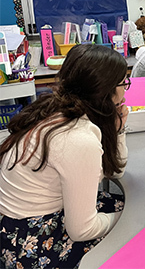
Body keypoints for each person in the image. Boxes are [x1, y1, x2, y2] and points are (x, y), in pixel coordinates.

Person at [0, 44, 130, 268]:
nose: (126, 91)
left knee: (119, 204)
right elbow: (82, 230)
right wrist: (130, 220)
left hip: (14, 225)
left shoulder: (58, 109)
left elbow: (114, 170)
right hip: (29, 241)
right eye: (123, 84)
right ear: (105, 90)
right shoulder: (77, 138)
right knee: (131, 225)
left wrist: (118, 130)